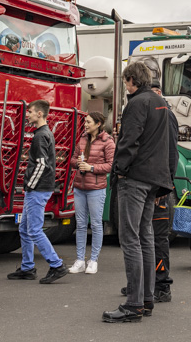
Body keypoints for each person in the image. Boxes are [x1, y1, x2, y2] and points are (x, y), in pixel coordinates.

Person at [103, 61, 178, 323]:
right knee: (145, 237)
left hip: (134, 178)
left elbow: (128, 141)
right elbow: (169, 145)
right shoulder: (162, 105)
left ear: (132, 80)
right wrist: (166, 180)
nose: (125, 86)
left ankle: (134, 303)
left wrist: (119, 170)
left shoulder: (136, 103)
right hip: (154, 180)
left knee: (130, 238)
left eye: (125, 82)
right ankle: (146, 299)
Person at [8, 100, 68, 285]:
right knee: (25, 228)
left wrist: (31, 185)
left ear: (40, 114)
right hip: (39, 188)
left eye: (31, 112)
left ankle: (57, 265)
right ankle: (27, 267)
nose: (27, 115)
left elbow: (42, 164)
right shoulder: (45, 134)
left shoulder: (40, 136)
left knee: (33, 229)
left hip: (37, 189)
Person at [70, 111, 115, 274]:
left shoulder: (108, 141)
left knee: (96, 224)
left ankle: (93, 260)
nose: (85, 124)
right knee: (80, 224)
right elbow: (73, 159)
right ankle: (80, 260)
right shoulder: (82, 138)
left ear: (98, 124)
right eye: (85, 122)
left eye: (88, 122)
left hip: (96, 189)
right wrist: (78, 163)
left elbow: (111, 165)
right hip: (79, 187)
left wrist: (92, 168)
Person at [150, 76, 180, 302]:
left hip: (160, 188)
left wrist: (166, 186)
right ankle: (147, 282)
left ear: (158, 93)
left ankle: (162, 286)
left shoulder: (166, 116)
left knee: (159, 239)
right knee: (146, 237)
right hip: (153, 184)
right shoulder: (157, 114)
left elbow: (171, 153)